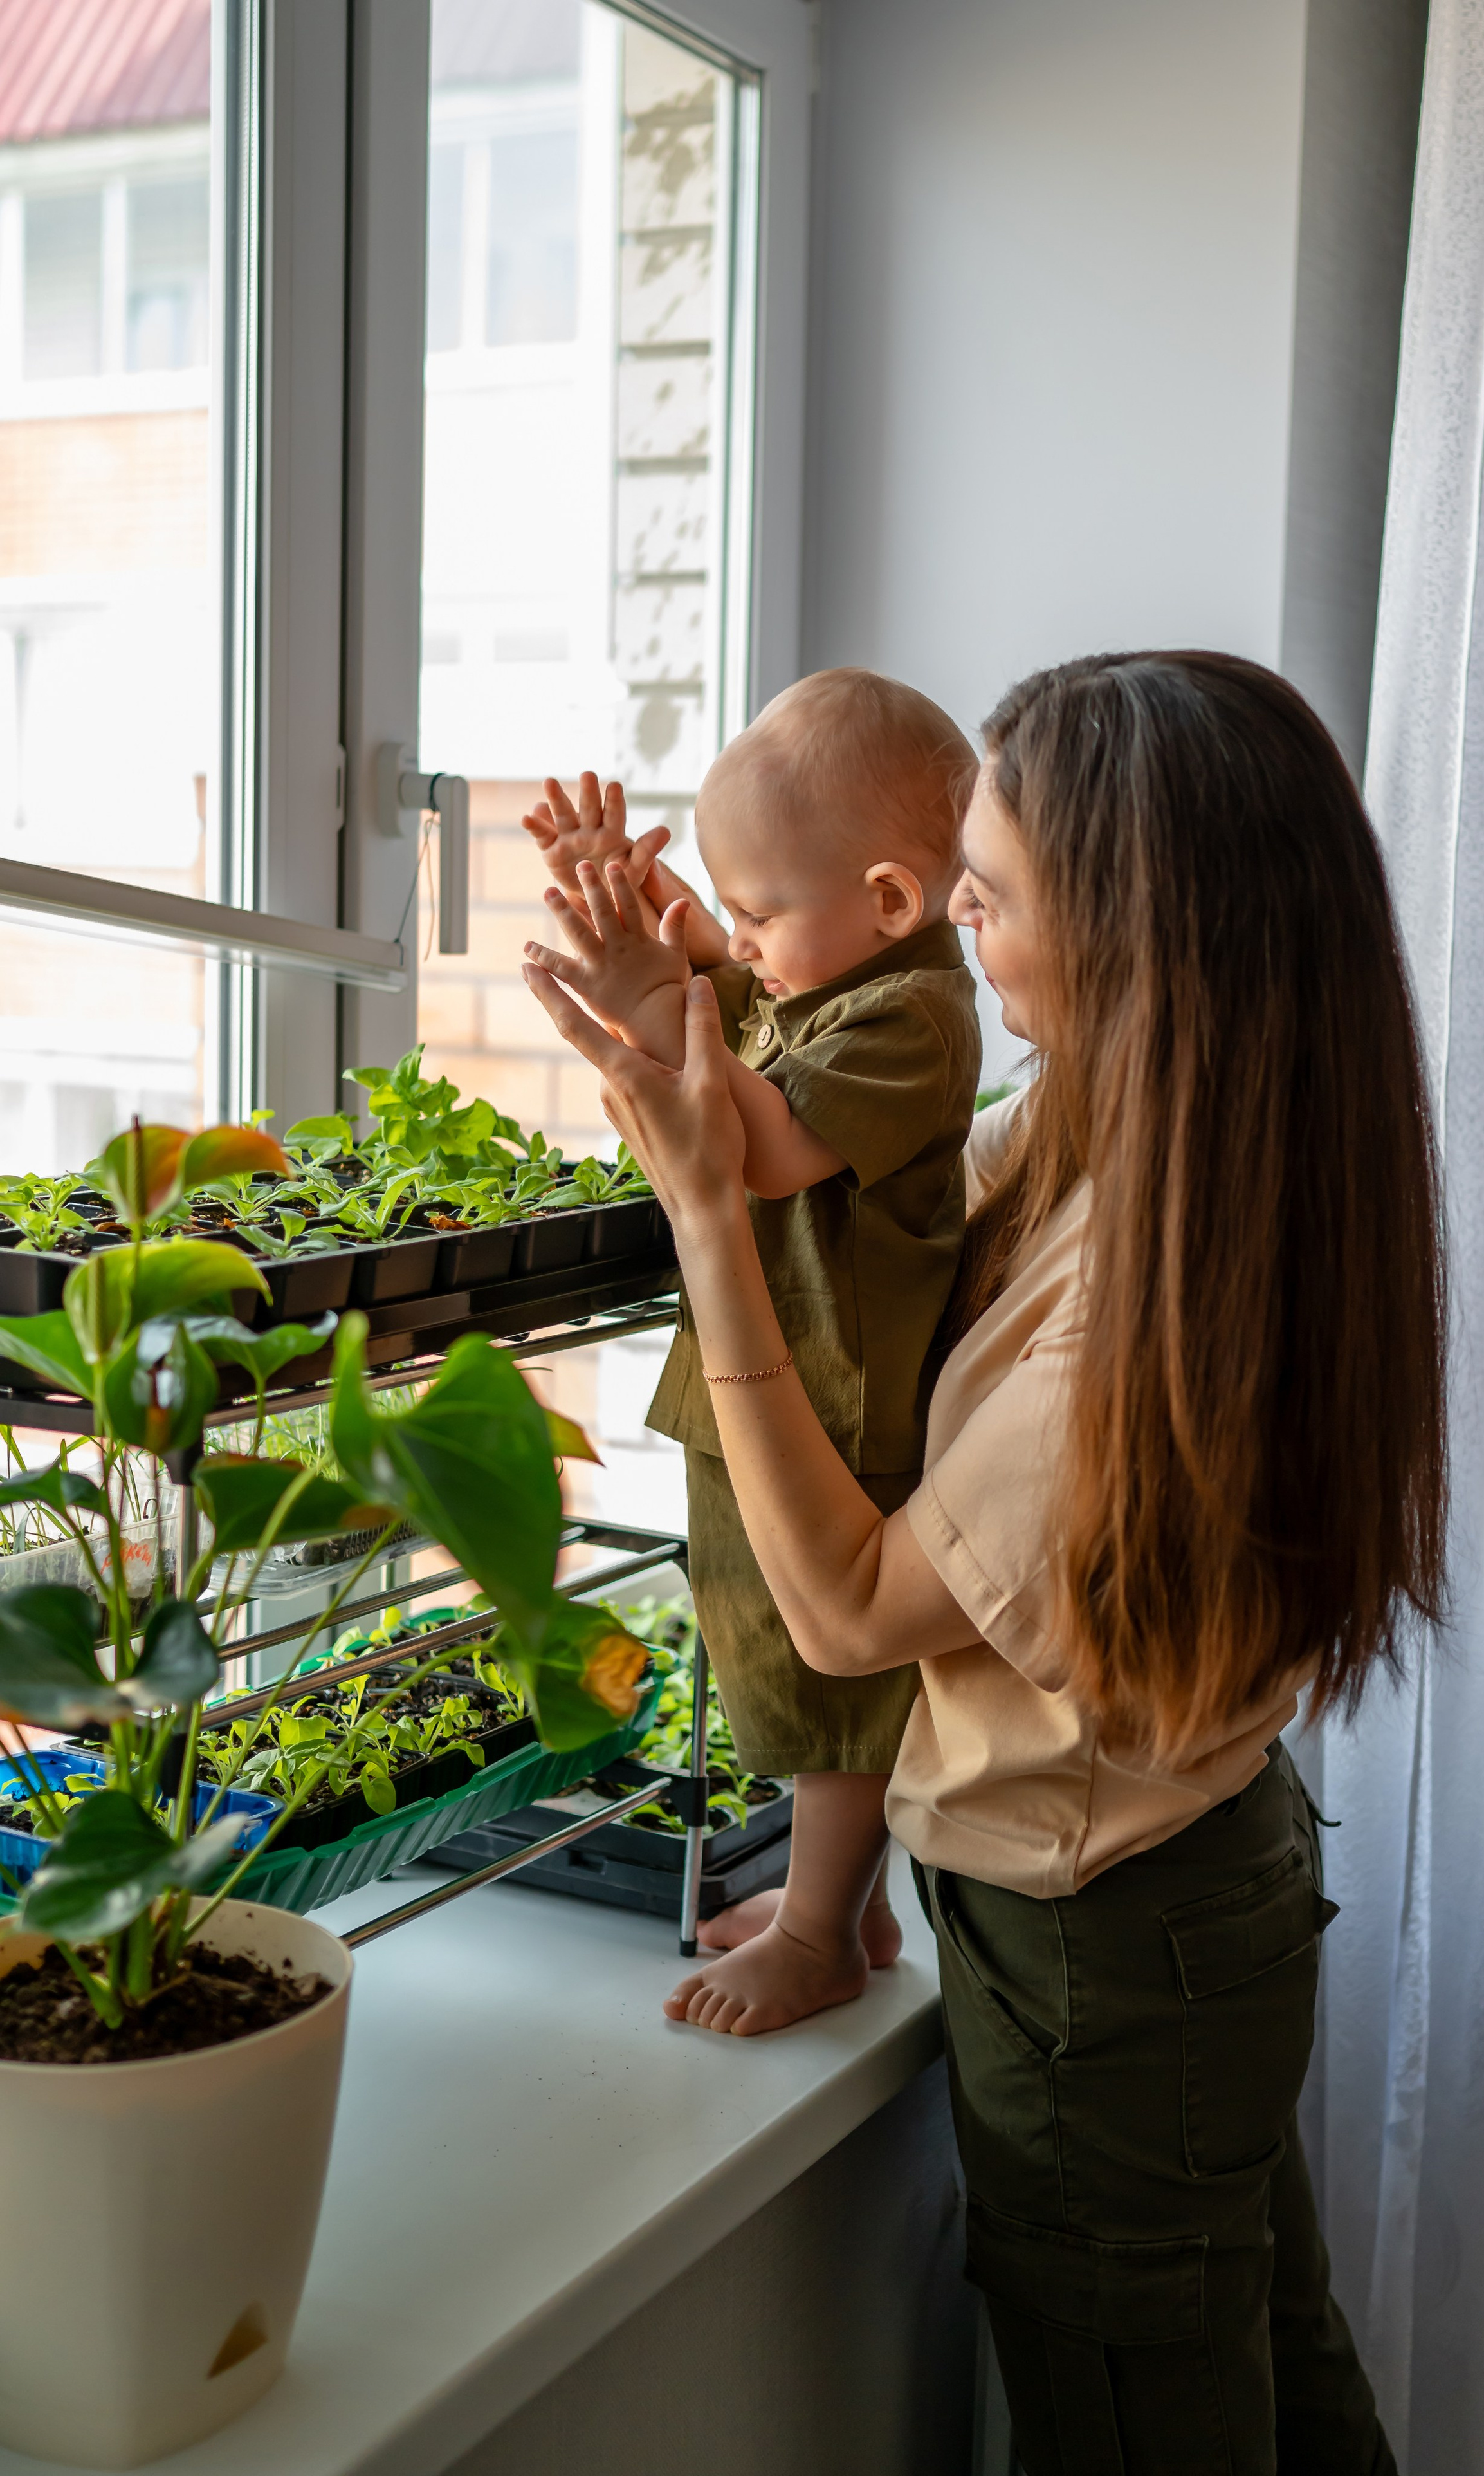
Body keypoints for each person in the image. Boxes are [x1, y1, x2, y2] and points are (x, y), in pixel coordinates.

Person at [525, 651, 1441, 2471]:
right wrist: (695, 968)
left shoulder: (1133, 1316)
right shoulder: (1135, 1138)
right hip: (1186, 1899)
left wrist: (706, 1214)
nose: (949, 921)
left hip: (1113, 1959)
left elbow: (850, 1606)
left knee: (1139, 2422)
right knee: (1263, 2361)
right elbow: (840, 1153)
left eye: (992, 896)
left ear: (1132, 934)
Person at [522, 669, 982, 2035]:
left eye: (760, 912)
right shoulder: (829, 992)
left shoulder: (913, 1017)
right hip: (767, 1381)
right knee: (761, 1656)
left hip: (830, 1408)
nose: (740, 937)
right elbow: (733, 1061)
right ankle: (842, 1902)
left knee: (825, 1680)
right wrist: (672, 975)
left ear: (889, 902)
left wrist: (663, 996)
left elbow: (757, 1146)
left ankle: (823, 1931)